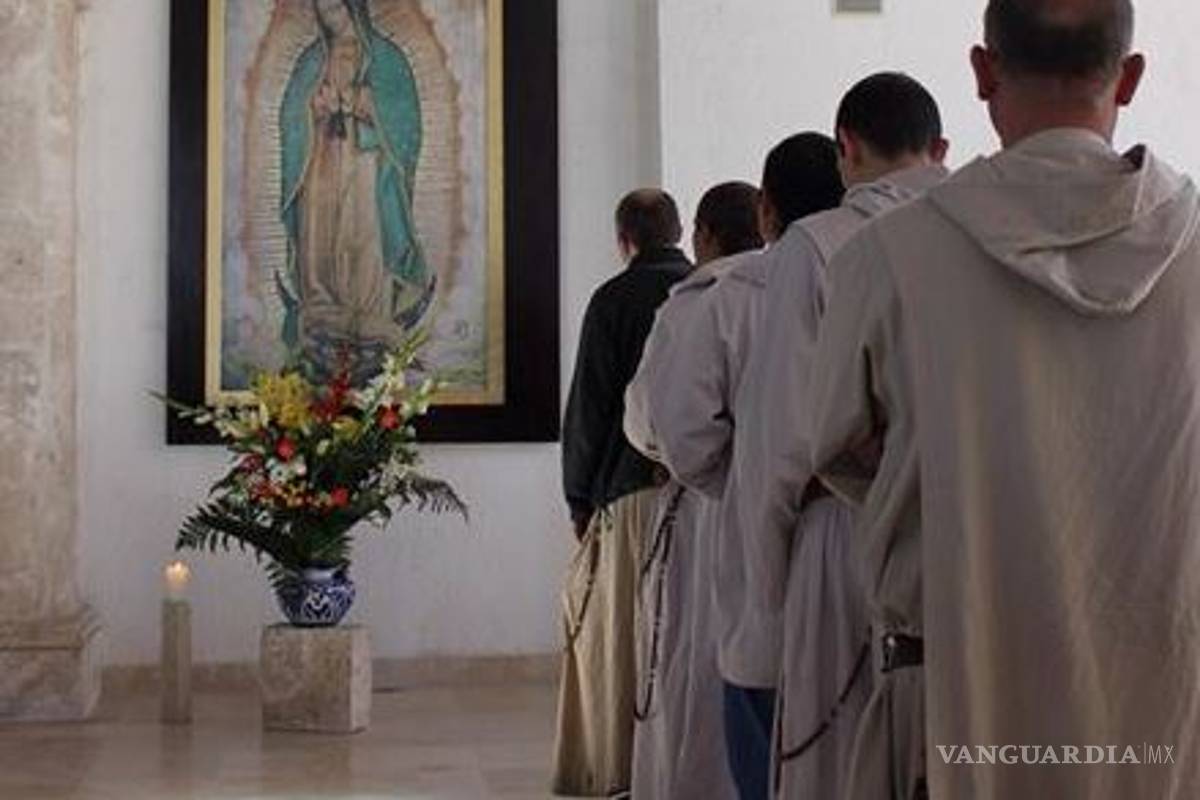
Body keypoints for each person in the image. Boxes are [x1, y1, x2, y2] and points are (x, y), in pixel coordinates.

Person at [811, 1, 1200, 797]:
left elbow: (839, 451)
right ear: (1128, 78)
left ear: (983, 73)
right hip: (1167, 700)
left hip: (956, 686)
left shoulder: (886, 258)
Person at [731, 74, 948, 800]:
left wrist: (763, 603)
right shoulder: (986, 224)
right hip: (972, 546)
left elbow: (780, 444)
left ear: (844, 150)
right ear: (941, 147)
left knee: (837, 760)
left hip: (844, 535)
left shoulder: (817, 244)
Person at [644, 134, 845, 800]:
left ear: (768, 208)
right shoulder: (879, 268)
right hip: (860, 535)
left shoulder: (722, 295)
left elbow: (681, 430)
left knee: (744, 705)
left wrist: (746, 479)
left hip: (739, 522)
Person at [623, 180, 763, 800]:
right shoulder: (799, 286)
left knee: (692, 658)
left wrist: (694, 467)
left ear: (703, 236)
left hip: (704, 509)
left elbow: (653, 419)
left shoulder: (695, 304)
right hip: (786, 508)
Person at [555, 189, 693, 798]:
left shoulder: (613, 299)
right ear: (683, 231)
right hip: (700, 495)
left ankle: (620, 773)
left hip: (627, 494)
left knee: (620, 642)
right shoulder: (707, 290)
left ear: (624, 240)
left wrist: (578, 499)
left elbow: (589, 407)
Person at [280, 0, 433, 381]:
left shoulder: (386, 58)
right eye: (322, 8)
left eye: (336, 6)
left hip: (367, 162)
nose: (330, 14)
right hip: (321, 159)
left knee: (362, 232)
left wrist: (369, 106)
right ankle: (320, 306)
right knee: (320, 231)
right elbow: (289, 117)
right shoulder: (312, 60)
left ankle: (368, 316)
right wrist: (313, 109)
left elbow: (406, 116)